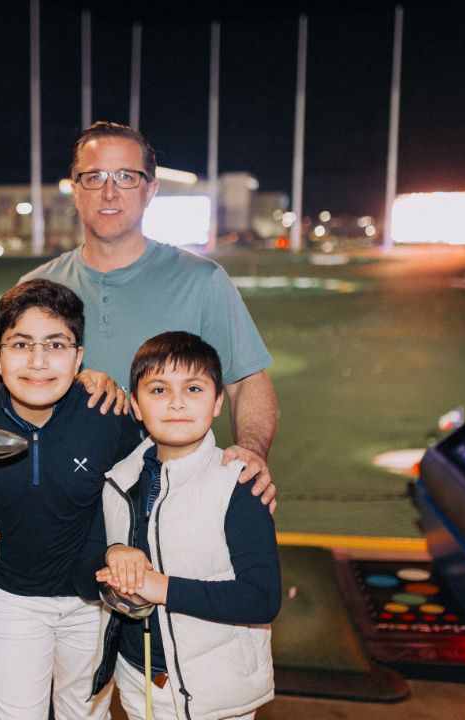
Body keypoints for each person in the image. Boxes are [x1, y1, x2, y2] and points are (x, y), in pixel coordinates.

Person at [20, 121, 279, 507]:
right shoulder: (35, 288)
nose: (109, 191)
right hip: (64, 504)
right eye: (94, 177)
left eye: (126, 176)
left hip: (173, 503)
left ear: (150, 189)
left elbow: (248, 382)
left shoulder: (201, 280)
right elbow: (9, 391)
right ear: (75, 190)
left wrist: (251, 451)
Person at [0, 279, 141, 720]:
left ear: (79, 357)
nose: (37, 362)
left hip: (93, 600)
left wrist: (130, 548)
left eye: (55, 344)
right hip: (11, 598)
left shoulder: (107, 415)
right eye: (20, 344)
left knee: (84, 715)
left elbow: (143, 492)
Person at [93, 331, 281, 720]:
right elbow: (85, 563)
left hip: (214, 693)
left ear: (217, 403)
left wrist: (159, 587)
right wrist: (113, 552)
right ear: (136, 406)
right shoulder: (117, 481)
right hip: (137, 679)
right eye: (158, 390)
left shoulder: (239, 483)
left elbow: (262, 598)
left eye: (193, 388)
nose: (176, 402)